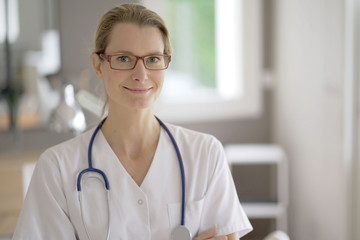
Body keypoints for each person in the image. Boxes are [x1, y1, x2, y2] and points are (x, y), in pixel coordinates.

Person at [13, 4, 252, 240]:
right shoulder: (57, 168)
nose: (141, 74)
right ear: (99, 65)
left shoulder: (205, 154)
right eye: (124, 58)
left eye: (153, 59)